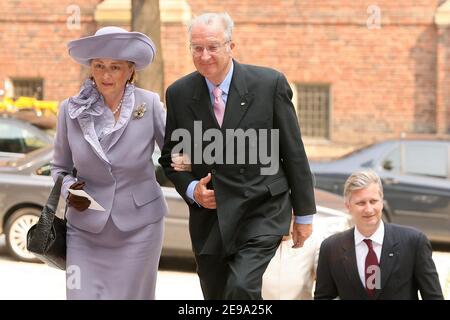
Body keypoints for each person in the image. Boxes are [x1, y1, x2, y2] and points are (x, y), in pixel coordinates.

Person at [159, 12, 316, 300]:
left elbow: (293, 152)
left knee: (241, 288)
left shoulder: (269, 85)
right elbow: (174, 158)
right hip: (211, 219)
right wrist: (193, 189)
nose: (204, 55)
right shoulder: (180, 93)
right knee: (217, 295)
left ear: (231, 46)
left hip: (262, 209)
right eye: (197, 48)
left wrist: (303, 215)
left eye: (213, 47)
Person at [51, 26, 173, 299]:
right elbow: (59, 167)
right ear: (91, 68)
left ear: (130, 70)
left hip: (140, 228)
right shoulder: (69, 110)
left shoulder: (150, 104)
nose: (106, 75)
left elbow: (175, 156)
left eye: (115, 67)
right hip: (85, 228)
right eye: (99, 65)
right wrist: (70, 189)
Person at [314, 170, 444, 300]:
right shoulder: (331, 248)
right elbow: (323, 297)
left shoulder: (413, 242)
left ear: (382, 202)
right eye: (361, 203)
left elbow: (433, 296)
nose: (369, 209)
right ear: (348, 206)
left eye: (373, 201)